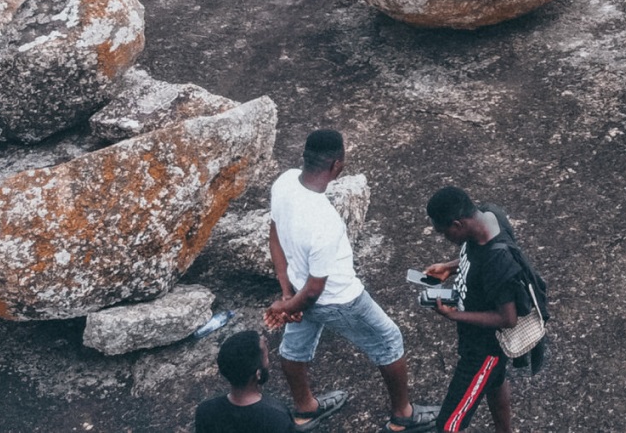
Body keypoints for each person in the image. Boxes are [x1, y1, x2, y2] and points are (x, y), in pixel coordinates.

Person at [263, 129, 420, 432]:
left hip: (296, 286)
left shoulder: (283, 182)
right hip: (338, 298)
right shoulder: (324, 220)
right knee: (389, 340)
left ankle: (305, 409)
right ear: (337, 166)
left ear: (304, 156)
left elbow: (275, 236)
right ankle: (403, 416)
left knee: (295, 348)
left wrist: (285, 293)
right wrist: (285, 307)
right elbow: (314, 292)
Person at [421, 186, 539, 433]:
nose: (446, 239)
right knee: (495, 385)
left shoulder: (497, 262)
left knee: (448, 424)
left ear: (457, 224)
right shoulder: (487, 214)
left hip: (485, 351)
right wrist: (450, 267)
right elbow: (475, 259)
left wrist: (454, 315)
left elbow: (508, 318)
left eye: (445, 233)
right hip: (476, 342)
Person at [194, 332, 294, 433]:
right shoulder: (277, 417)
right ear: (257, 373)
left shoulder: (206, 411)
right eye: (266, 358)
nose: (268, 362)